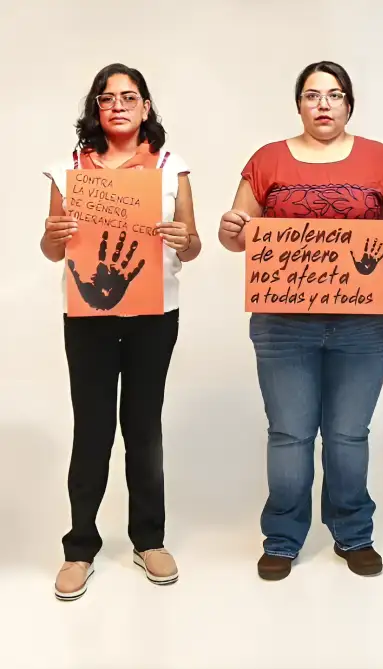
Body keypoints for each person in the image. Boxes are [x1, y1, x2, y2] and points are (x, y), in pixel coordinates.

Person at [218, 61, 383, 581]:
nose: (323, 104)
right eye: (312, 95)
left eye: (334, 95)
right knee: (289, 433)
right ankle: (283, 539)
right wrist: (233, 227)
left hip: (362, 321)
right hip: (283, 323)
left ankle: (354, 534)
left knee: (349, 433)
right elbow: (236, 235)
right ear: (299, 105)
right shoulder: (266, 161)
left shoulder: (381, 160)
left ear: (349, 103)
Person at [41, 63, 200, 601]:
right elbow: (52, 248)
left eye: (128, 97)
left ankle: (148, 538)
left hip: (156, 315)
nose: (118, 105)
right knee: (91, 428)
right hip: (87, 317)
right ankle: (80, 547)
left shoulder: (172, 168)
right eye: (107, 98)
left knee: (143, 424)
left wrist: (183, 236)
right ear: (96, 108)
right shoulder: (70, 169)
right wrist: (54, 233)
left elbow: (193, 244)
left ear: (146, 107)